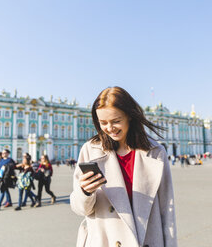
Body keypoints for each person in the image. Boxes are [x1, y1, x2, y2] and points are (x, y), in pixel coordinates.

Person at [70, 87, 177, 247]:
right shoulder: (90, 150)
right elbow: (79, 209)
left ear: (130, 116)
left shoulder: (156, 152)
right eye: (103, 123)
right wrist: (84, 192)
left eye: (116, 121)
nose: (109, 128)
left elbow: (167, 210)